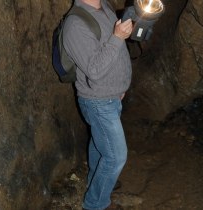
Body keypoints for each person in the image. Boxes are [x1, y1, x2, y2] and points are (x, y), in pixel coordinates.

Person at [62, 0, 133, 209]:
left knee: (100, 143)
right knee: (116, 157)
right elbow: (94, 70)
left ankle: (97, 179)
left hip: (112, 96)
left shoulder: (105, 6)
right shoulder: (75, 24)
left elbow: (114, 52)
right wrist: (118, 36)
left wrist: (120, 85)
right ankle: (94, 204)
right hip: (97, 102)